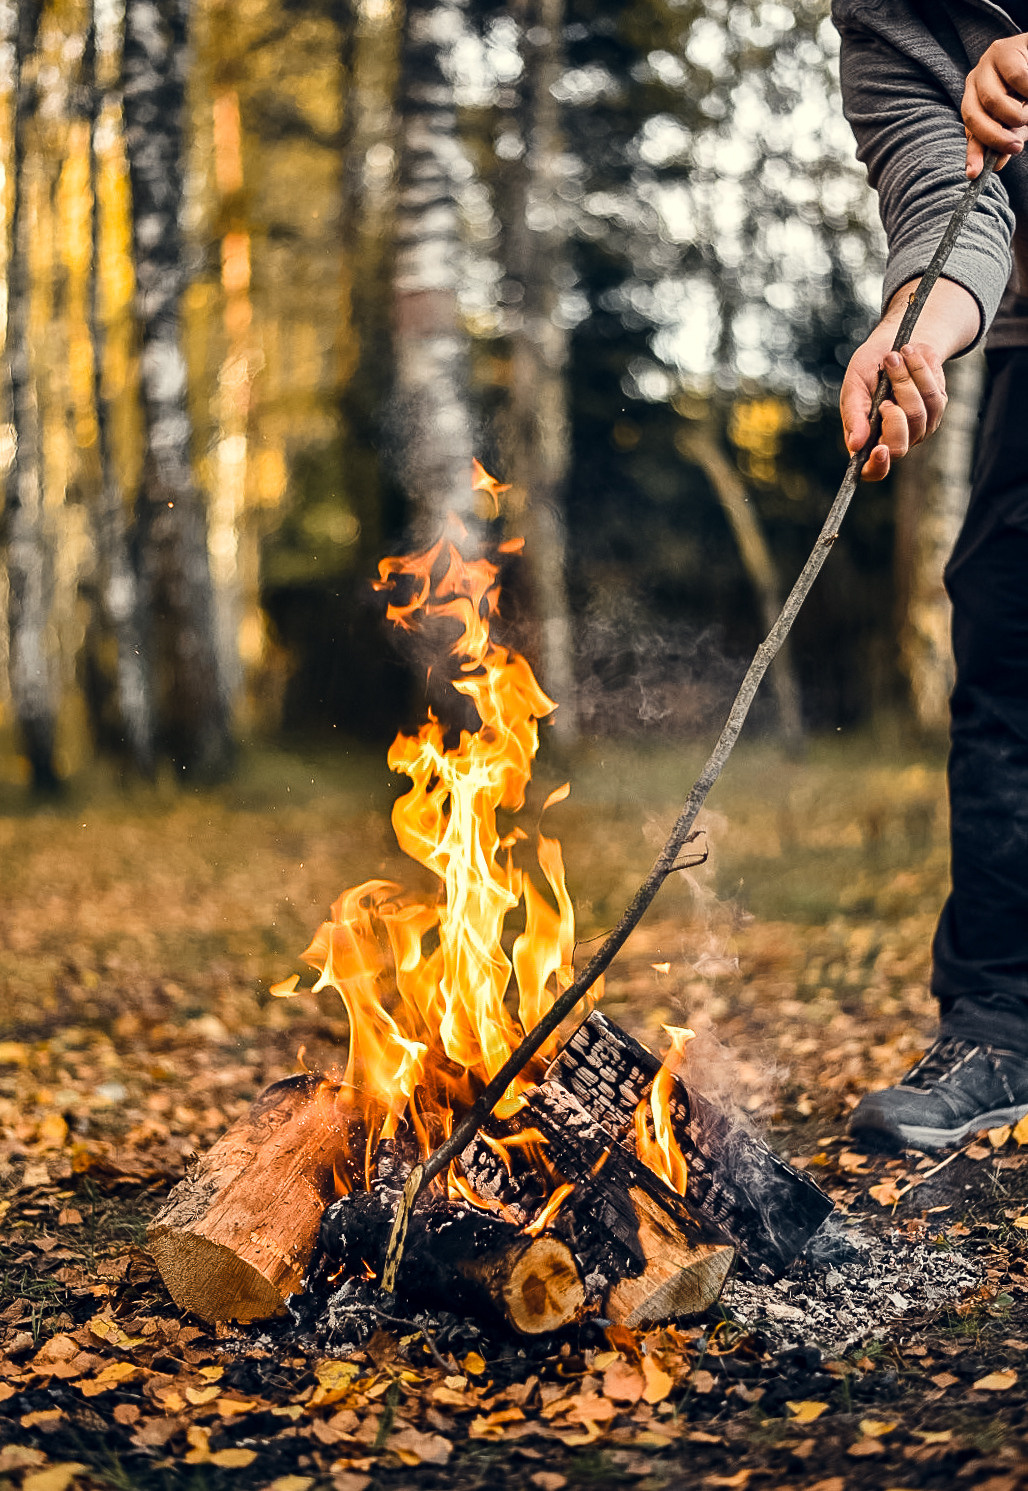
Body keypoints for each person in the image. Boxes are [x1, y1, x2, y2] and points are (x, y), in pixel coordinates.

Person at [832, 1, 1028, 1150]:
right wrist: (913, 327)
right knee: (1002, 657)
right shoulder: (884, 21)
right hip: (1023, 342)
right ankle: (998, 1029)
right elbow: (948, 202)